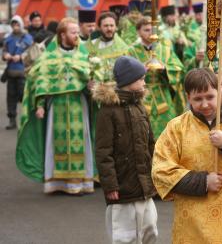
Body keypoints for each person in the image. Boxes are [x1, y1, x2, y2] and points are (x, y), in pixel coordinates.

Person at [152, 68, 222, 244]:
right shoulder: (176, 128)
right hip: (192, 225)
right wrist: (203, 181)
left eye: (210, 97)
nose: (205, 104)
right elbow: (161, 171)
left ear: (218, 93)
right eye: (198, 99)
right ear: (188, 97)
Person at [16, 17, 95, 194]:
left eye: (77, 32)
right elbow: (41, 81)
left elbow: (92, 80)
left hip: (77, 104)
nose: (77, 36)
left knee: (80, 140)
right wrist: (40, 105)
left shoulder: (83, 55)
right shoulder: (49, 57)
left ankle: (79, 182)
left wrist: (92, 87)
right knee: (55, 141)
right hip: (56, 106)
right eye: (73, 32)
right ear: (62, 35)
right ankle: (57, 182)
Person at [94, 56, 158, 244]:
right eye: (141, 78)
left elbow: (150, 143)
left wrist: (155, 171)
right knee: (125, 236)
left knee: (150, 230)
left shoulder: (140, 107)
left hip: (144, 184)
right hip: (122, 186)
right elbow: (103, 151)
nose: (144, 82)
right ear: (129, 81)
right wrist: (110, 185)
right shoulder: (108, 111)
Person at [129, 17, 185, 138]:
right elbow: (125, 73)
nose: (150, 33)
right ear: (138, 32)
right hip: (140, 95)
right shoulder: (131, 52)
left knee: (168, 133)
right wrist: (141, 70)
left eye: (152, 30)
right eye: (146, 30)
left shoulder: (165, 50)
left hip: (163, 96)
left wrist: (164, 69)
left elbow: (178, 69)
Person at [2, 15, 33, 129]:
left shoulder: (28, 38)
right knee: (11, 98)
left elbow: (32, 54)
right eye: (13, 24)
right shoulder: (8, 38)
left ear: (21, 24)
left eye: (17, 24)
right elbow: (4, 52)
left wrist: (20, 57)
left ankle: (28, 120)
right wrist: (6, 55)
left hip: (23, 73)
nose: (15, 27)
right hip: (11, 73)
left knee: (23, 97)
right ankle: (12, 120)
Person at [87, 11, 130, 83]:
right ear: (99, 27)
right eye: (106, 26)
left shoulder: (123, 47)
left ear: (116, 27)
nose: (109, 29)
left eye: (112, 25)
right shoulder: (91, 46)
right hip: (97, 88)